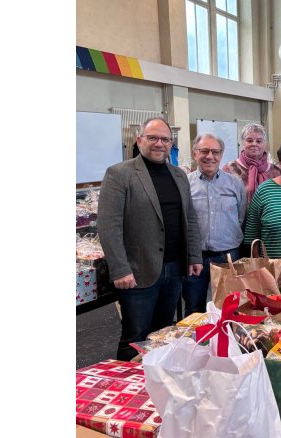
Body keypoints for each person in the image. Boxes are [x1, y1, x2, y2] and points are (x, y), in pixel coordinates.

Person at [98, 117, 203, 360]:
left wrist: (194, 255)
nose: (159, 144)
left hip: (174, 269)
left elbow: (190, 218)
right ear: (139, 140)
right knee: (135, 337)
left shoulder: (179, 175)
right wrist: (120, 269)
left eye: (165, 139)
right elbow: (108, 225)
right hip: (137, 272)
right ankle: (128, 391)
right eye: (153, 138)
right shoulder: (119, 174)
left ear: (171, 144)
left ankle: (155, 387)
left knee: (162, 334)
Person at [182, 133, 246, 314]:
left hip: (228, 257)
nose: (210, 156)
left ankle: (227, 343)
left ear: (221, 155)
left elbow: (240, 217)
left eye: (215, 152)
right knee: (194, 310)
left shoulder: (235, 183)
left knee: (228, 309)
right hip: (195, 258)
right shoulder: (185, 183)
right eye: (204, 151)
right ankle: (197, 342)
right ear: (195, 154)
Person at [222, 122, 280, 211]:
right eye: (249, 140)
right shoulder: (229, 169)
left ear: (264, 144)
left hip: (269, 222)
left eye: (259, 141)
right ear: (243, 143)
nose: (254, 144)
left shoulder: (276, 171)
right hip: (238, 222)